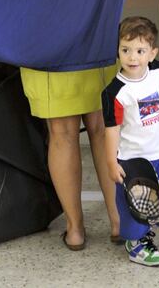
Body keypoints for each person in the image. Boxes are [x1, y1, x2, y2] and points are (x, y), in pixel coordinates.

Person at [102, 16, 159, 266]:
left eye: (140, 51)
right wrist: (110, 161)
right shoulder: (115, 92)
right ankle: (136, 244)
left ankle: (145, 235)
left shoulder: (158, 72)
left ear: (152, 53)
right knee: (135, 204)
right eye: (125, 50)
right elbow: (111, 130)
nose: (132, 57)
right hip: (132, 159)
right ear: (117, 51)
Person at [20, 64, 120, 250]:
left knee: (62, 134)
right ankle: (119, 221)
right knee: (103, 127)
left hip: (51, 47)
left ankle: (75, 231)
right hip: (94, 43)